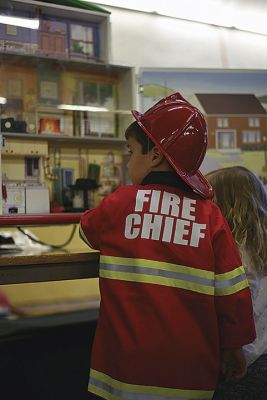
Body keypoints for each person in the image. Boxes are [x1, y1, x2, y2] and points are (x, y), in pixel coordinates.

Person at [79, 93, 256, 400]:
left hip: (122, 374)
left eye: (131, 150)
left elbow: (87, 230)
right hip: (190, 378)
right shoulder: (210, 216)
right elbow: (233, 293)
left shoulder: (122, 202)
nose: (128, 158)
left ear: (155, 156)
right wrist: (232, 347)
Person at [206, 166, 267, 400]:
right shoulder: (257, 245)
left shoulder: (232, 252)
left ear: (227, 208)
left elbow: (235, 307)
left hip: (241, 360)